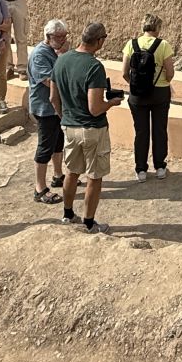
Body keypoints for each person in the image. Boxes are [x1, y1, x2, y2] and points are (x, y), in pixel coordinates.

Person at [49, 20, 121, 232]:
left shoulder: (61, 60)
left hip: (69, 127)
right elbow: (95, 108)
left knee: (71, 172)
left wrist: (65, 117)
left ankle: (68, 214)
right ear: (99, 41)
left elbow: (54, 97)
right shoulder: (94, 66)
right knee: (94, 176)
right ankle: (89, 223)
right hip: (92, 129)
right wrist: (112, 103)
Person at [123, 13, 176, 182]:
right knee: (159, 129)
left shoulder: (131, 45)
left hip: (138, 96)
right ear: (157, 28)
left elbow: (124, 73)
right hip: (160, 93)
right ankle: (160, 166)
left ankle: (141, 170)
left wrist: (136, 84)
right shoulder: (164, 45)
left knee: (141, 131)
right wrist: (163, 82)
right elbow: (170, 72)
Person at [27, 18, 69, 205]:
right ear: (48, 36)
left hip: (54, 108)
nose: (62, 39)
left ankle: (58, 175)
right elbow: (49, 81)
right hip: (44, 108)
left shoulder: (52, 51)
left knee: (57, 142)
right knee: (45, 147)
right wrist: (62, 58)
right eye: (58, 36)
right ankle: (40, 188)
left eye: (64, 36)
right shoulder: (39, 55)